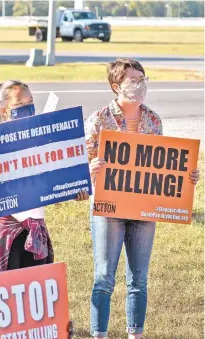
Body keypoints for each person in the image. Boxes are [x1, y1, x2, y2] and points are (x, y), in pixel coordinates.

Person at [85, 58, 200, 339]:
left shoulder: (153, 119)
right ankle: (99, 333)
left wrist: (187, 176)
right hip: (109, 208)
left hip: (144, 209)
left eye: (143, 79)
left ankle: (135, 333)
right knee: (104, 277)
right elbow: (81, 167)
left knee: (138, 279)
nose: (141, 84)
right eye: (134, 80)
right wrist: (91, 169)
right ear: (117, 86)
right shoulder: (99, 119)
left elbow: (161, 167)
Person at [0, 80, 89, 294]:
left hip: (35, 229)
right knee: (4, 294)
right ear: (4, 110)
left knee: (33, 295)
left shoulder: (42, 144)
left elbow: (54, 182)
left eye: (31, 101)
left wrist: (75, 190)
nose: (28, 107)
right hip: (5, 232)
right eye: (20, 104)